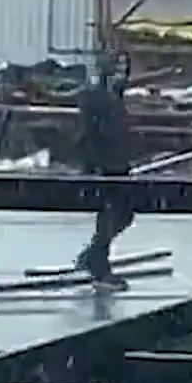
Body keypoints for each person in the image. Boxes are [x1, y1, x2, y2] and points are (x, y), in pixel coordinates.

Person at [73, 51, 136, 288]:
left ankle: (92, 255)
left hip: (119, 163)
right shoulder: (95, 97)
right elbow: (87, 134)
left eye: (125, 68)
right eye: (118, 68)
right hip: (104, 164)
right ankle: (99, 265)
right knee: (110, 214)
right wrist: (91, 164)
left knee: (124, 215)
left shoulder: (114, 95)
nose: (122, 73)